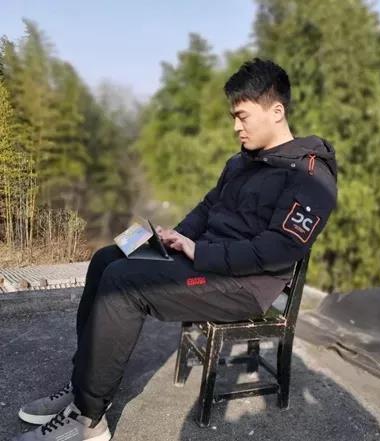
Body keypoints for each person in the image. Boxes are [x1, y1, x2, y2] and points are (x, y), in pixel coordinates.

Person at [12, 58, 338, 441]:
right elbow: (207, 207)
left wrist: (199, 253)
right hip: (207, 262)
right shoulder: (241, 162)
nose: (236, 127)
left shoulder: (311, 176)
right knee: (106, 259)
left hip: (244, 285)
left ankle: (88, 418)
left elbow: (279, 250)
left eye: (242, 116)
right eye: (233, 117)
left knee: (124, 283)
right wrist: (175, 237)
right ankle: (84, 381)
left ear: (276, 111)